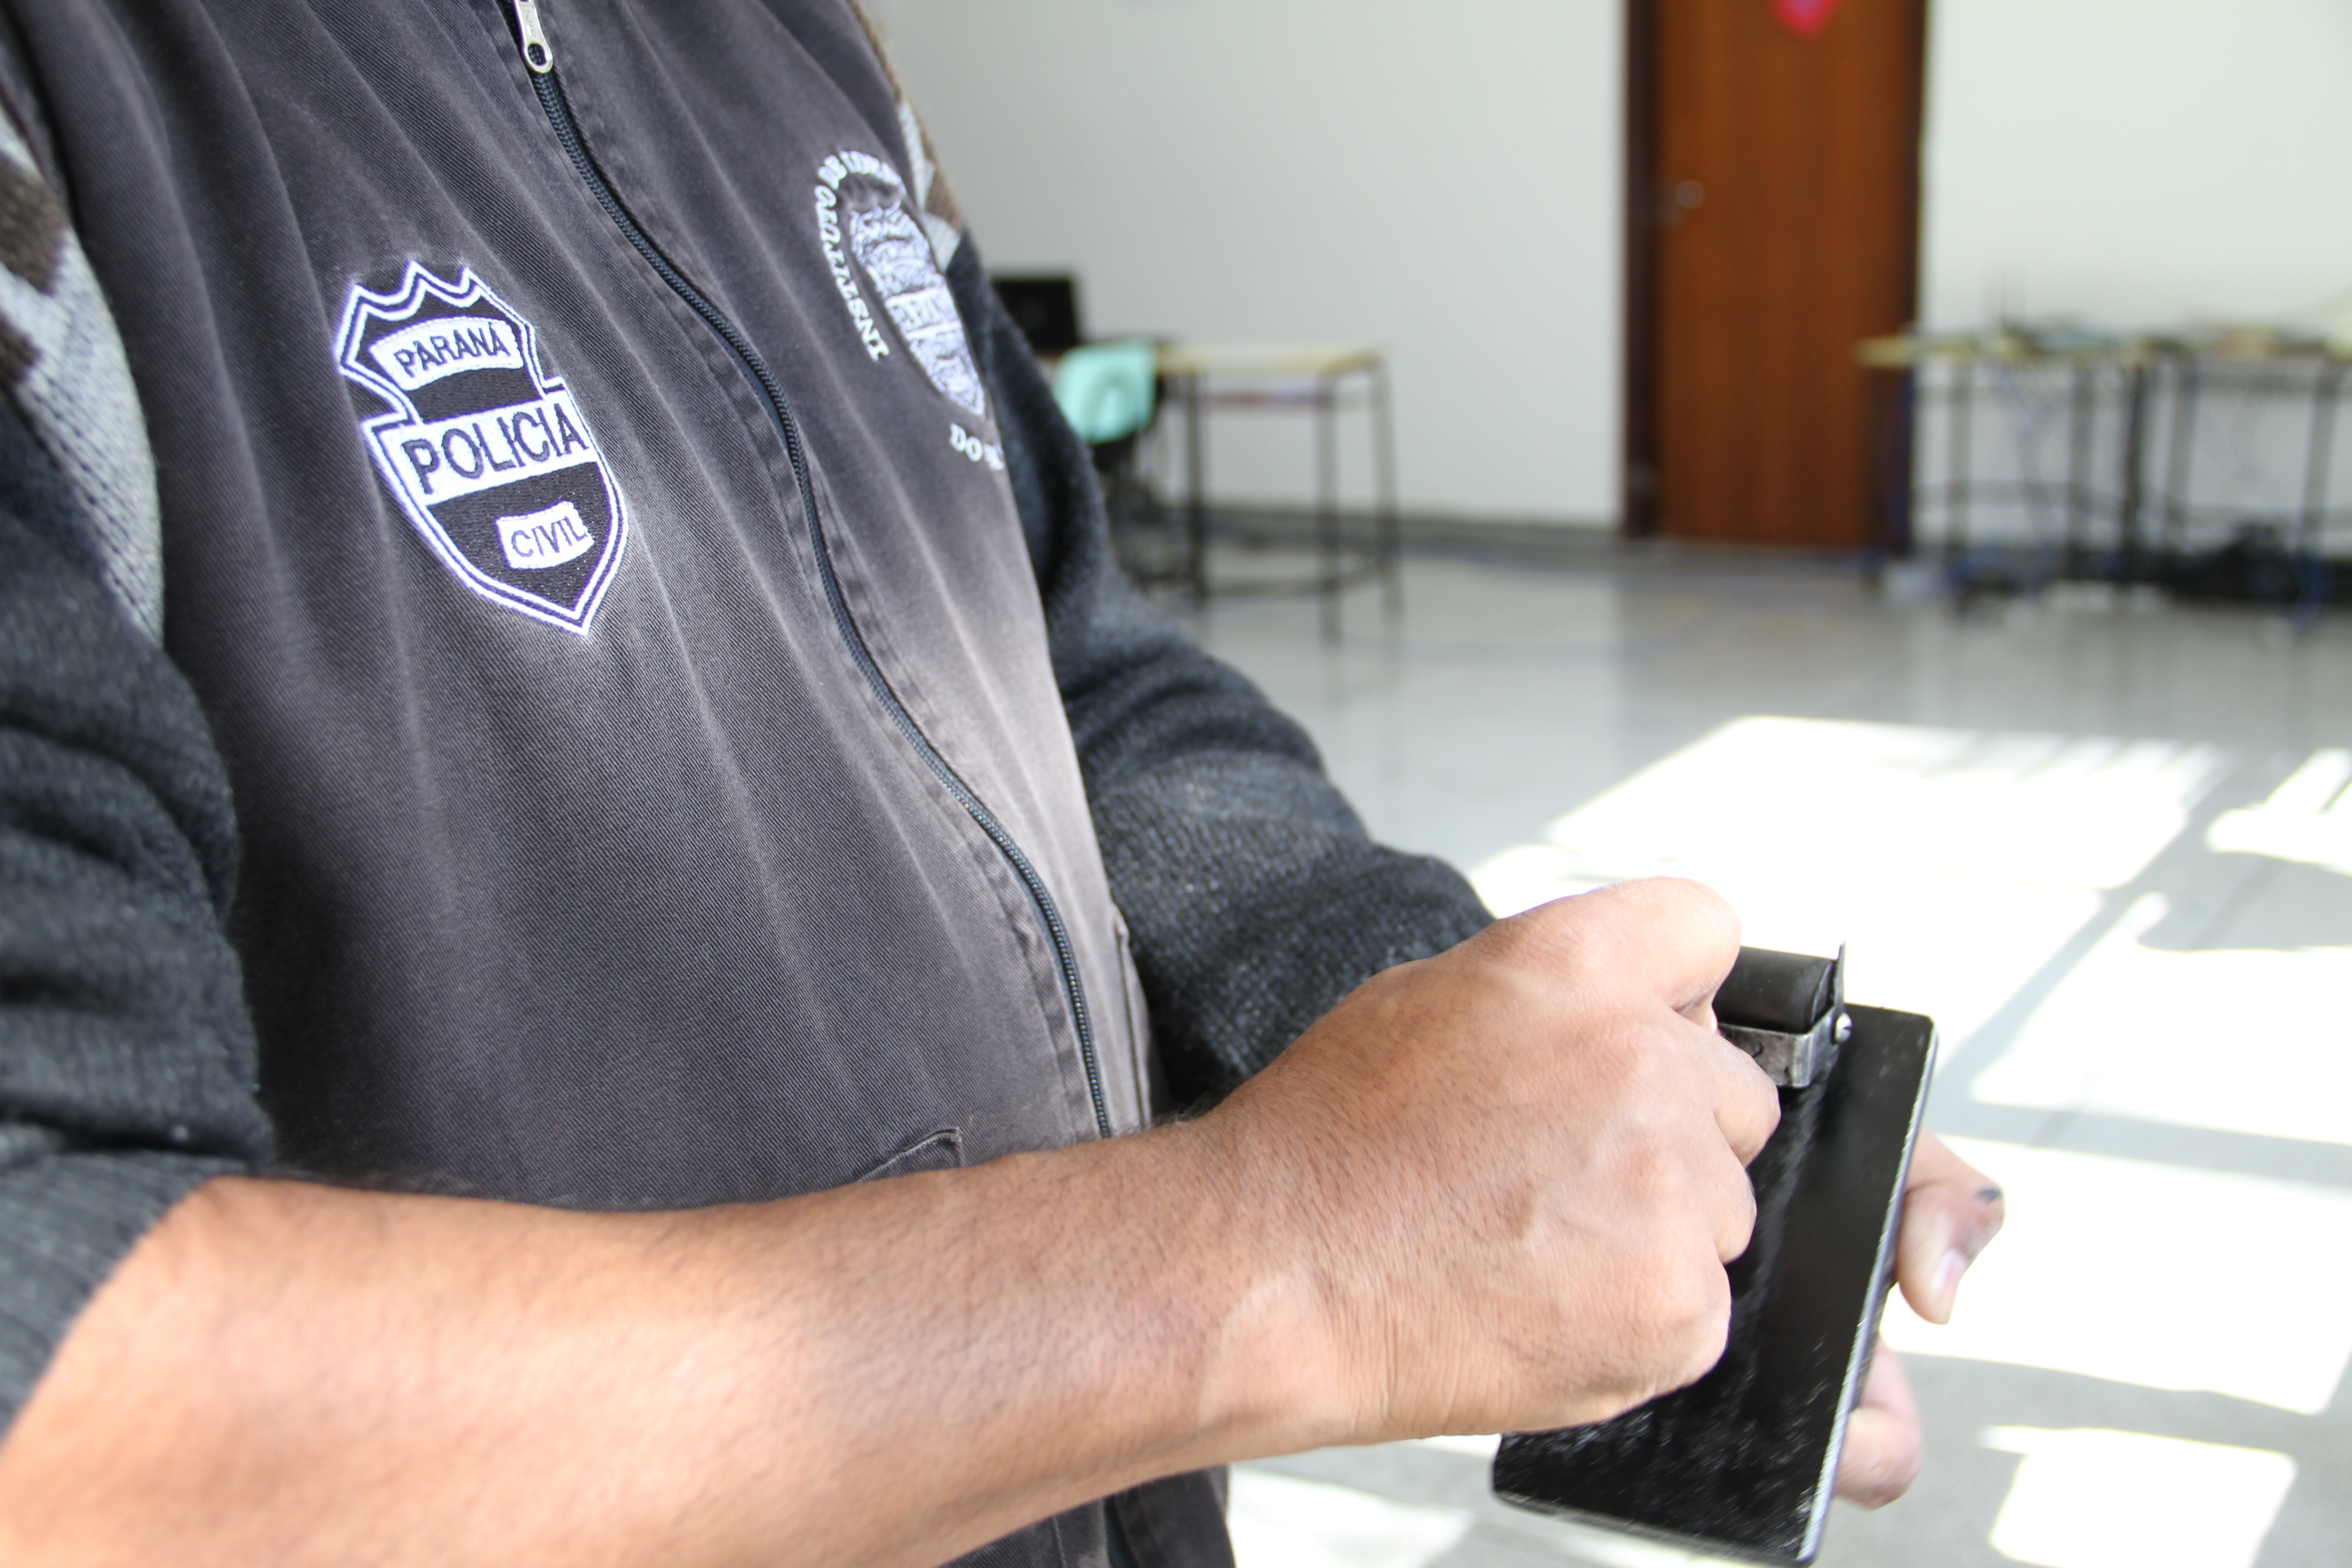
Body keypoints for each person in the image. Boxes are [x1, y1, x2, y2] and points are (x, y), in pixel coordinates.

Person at [0, 3, 2004, 1563]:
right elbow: (56, 1381)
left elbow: (1070, 665)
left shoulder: (783, 36)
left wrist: (1472, 1044)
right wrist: (1277, 1260)